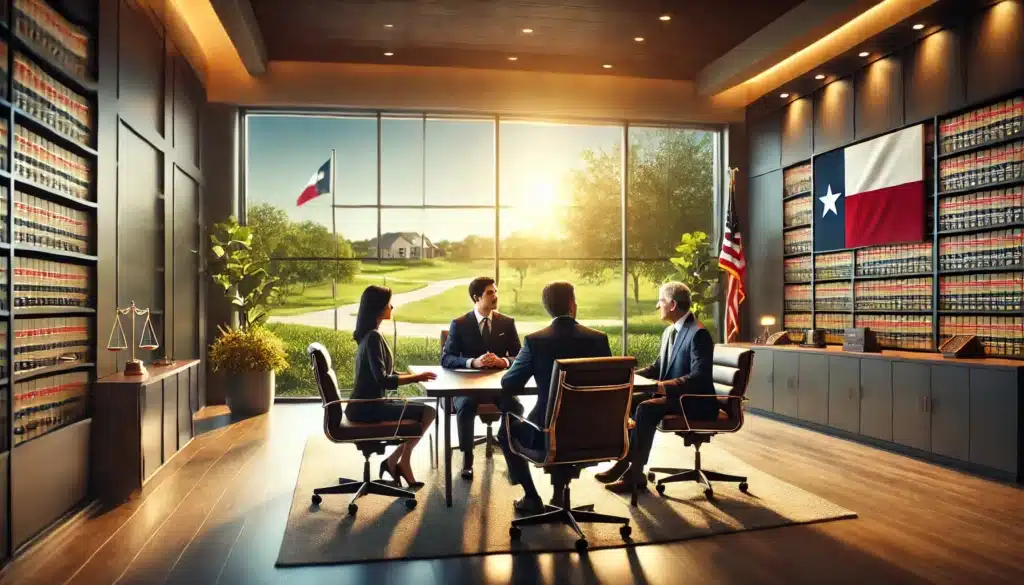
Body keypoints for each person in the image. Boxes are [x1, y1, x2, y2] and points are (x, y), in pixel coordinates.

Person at [499, 281, 612, 513]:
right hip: (595, 433)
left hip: (546, 434)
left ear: (546, 308)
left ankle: (531, 496)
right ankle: (559, 493)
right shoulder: (598, 339)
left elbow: (510, 383)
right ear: (572, 304)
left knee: (506, 430)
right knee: (567, 427)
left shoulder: (535, 341)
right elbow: (609, 383)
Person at [596, 281, 718, 493]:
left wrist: (661, 387)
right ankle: (626, 464)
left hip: (695, 401)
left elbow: (699, 377)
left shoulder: (698, 333)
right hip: (675, 399)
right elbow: (658, 367)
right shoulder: (670, 332)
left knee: (645, 408)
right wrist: (629, 375)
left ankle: (634, 473)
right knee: (631, 401)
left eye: (660, 300)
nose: (657, 305)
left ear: (672, 304)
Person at [348, 285, 437, 488]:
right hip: (368, 408)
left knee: (424, 411)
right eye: (388, 303)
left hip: (365, 405)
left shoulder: (368, 335)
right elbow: (383, 380)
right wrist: (416, 378)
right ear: (379, 308)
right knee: (428, 413)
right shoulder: (373, 337)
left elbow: (386, 375)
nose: (391, 306)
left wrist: (415, 376)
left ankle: (394, 461)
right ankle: (401, 461)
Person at [441, 277, 521, 479]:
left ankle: (510, 451)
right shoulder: (459, 324)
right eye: (490, 293)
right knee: (466, 405)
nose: (495, 296)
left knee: (516, 407)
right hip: (467, 388)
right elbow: (446, 358)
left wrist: (503, 361)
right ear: (476, 297)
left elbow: (520, 355)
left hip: (498, 387)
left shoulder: (507, 323)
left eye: (496, 292)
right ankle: (467, 459)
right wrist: (472, 363)